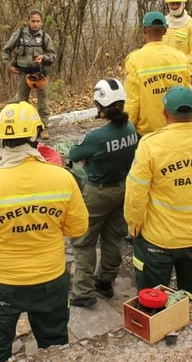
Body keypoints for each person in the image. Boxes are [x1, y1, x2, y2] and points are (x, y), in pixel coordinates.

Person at [0, 101, 89, 362]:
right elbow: (78, 228)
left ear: (2, 140)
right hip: (50, 282)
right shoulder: (62, 178)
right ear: (36, 135)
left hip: (0, 286)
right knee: (56, 348)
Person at [124, 85, 192, 298]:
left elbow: (135, 193)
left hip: (158, 239)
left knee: (153, 299)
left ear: (164, 113)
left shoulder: (150, 145)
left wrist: (134, 227)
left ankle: (160, 328)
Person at [68, 79, 139, 307]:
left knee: (84, 241)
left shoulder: (96, 137)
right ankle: (105, 281)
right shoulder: (130, 130)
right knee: (112, 237)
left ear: (99, 105)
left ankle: (83, 291)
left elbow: (74, 153)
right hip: (123, 188)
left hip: (98, 193)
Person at [123, 11, 191, 136]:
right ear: (165, 31)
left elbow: (133, 101)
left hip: (148, 133)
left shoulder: (134, 60)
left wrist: (126, 130)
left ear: (144, 30)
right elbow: (187, 95)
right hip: (177, 129)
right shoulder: (181, 58)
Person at [1, 10, 58, 139]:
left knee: (43, 102)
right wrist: (8, 65)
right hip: (24, 73)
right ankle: (24, 128)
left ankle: (43, 128)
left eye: (38, 21)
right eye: (33, 21)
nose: (35, 24)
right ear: (28, 21)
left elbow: (53, 55)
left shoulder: (45, 37)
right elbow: (6, 50)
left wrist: (44, 57)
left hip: (40, 74)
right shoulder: (20, 34)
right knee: (22, 102)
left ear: (41, 22)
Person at [163, 0, 192, 78]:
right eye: (172, 4)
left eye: (177, 3)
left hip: (183, 74)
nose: (174, 6)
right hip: (163, 73)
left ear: (183, 4)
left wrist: (180, 67)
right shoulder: (163, 22)